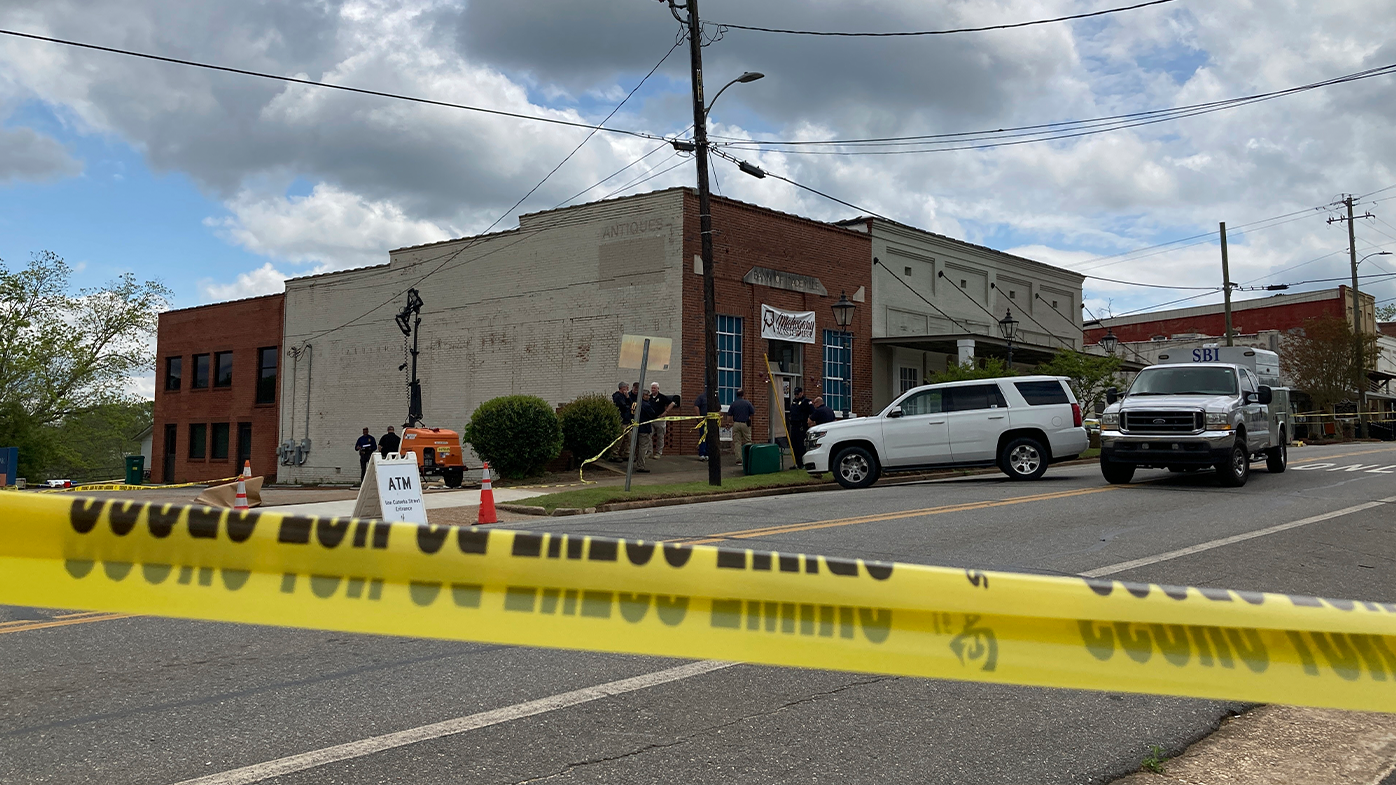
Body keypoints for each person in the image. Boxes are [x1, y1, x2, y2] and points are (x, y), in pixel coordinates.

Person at [727, 388, 755, 465]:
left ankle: (739, 460)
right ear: (743, 395)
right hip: (745, 423)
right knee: (748, 441)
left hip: (736, 423)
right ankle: (748, 458)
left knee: (737, 442)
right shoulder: (747, 403)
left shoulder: (733, 404)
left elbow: (729, 416)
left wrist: (728, 423)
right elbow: (752, 413)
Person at [787, 387, 814, 466]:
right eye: (795, 394)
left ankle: (802, 462)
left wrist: (809, 421)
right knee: (794, 445)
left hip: (802, 426)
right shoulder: (794, 402)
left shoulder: (806, 402)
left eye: (797, 394)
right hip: (794, 426)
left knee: (801, 445)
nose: (796, 395)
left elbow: (813, 412)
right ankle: (796, 463)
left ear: (801, 393)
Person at [648, 382, 676, 458]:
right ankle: (649, 452)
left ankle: (658, 453)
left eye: (654, 388)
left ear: (658, 389)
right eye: (652, 388)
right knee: (649, 435)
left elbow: (672, 403)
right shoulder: (649, 397)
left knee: (660, 437)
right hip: (651, 420)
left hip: (660, 419)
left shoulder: (662, 397)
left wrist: (666, 412)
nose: (653, 389)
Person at [633, 393, 657, 472]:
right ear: (643, 396)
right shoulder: (646, 405)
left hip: (636, 428)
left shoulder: (635, 403)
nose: (649, 397)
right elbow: (653, 414)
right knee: (643, 449)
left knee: (636, 447)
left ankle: (635, 463)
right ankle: (641, 466)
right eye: (647, 395)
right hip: (644, 429)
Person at [611, 382, 632, 461]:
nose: (627, 390)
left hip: (627, 420)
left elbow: (631, 404)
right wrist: (628, 406)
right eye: (626, 388)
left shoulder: (625, 396)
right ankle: (614, 453)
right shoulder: (617, 396)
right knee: (620, 438)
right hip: (621, 420)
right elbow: (623, 406)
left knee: (629, 438)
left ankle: (625, 453)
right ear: (623, 388)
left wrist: (627, 397)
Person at [694, 390, 710, 461]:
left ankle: (707, 454)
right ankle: (702, 454)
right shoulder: (701, 397)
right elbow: (696, 406)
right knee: (703, 437)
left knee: (709, 438)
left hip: (711, 422)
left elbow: (719, 408)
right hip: (703, 421)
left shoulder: (715, 398)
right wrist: (699, 417)